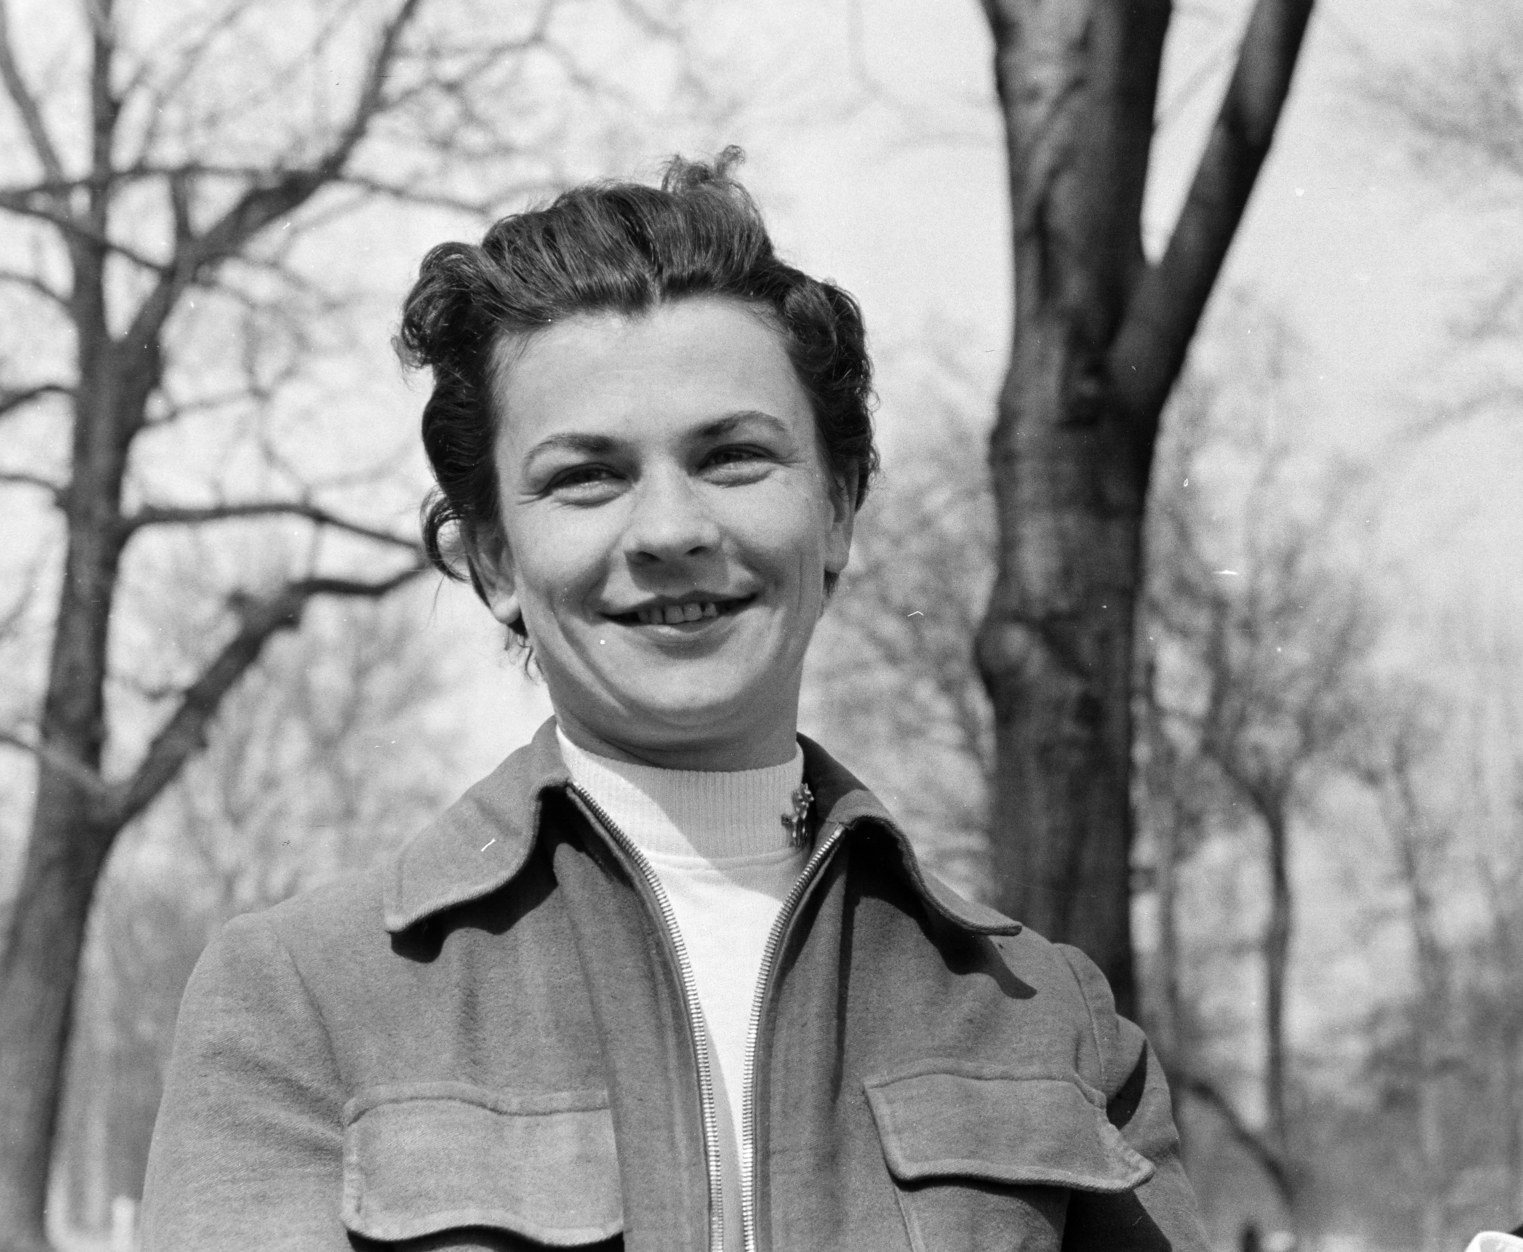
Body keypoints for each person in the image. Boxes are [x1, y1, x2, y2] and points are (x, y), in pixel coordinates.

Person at [140, 150, 1207, 1252]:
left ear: (838, 507)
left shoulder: (1049, 1019)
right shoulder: (305, 997)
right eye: (586, 476)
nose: (670, 531)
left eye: (735, 457)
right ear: (495, 558)